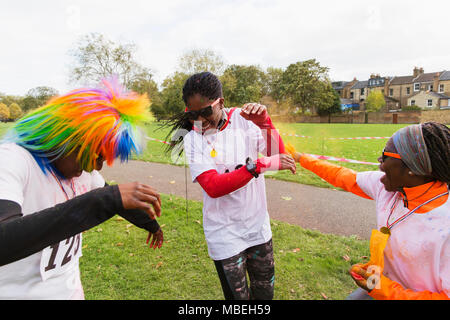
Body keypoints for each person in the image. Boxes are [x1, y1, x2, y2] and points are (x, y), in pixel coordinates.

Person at [0, 78, 164, 299]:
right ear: (69, 136)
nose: (96, 166)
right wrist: (101, 200)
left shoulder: (85, 176)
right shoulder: (12, 160)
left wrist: (151, 225)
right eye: (96, 155)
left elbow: (118, 204)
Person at [165, 72, 296, 300]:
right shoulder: (192, 138)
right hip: (224, 234)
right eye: (193, 114)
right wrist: (255, 167)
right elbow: (213, 186)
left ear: (221, 103)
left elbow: (277, 155)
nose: (201, 120)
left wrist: (265, 123)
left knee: (265, 295)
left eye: (206, 112)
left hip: (257, 229)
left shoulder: (244, 120)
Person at [286, 122, 449, 300]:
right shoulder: (388, 187)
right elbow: (341, 176)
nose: (380, 161)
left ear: (412, 169)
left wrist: (380, 287)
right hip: (379, 287)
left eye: (385, 155)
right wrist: (300, 157)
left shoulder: (444, 224)